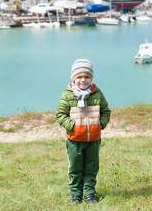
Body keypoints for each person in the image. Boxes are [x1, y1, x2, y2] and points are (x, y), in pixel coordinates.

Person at [56, 59, 111, 205]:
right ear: (73, 78)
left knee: (91, 167)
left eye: (86, 77)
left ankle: (90, 193)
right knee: (75, 168)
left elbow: (106, 111)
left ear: (91, 78)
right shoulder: (67, 95)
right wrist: (73, 127)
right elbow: (60, 115)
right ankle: (75, 194)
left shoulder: (97, 94)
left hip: (93, 139)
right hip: (74, 140)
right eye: (79, 77)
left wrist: (100, 125)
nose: (83, 80)